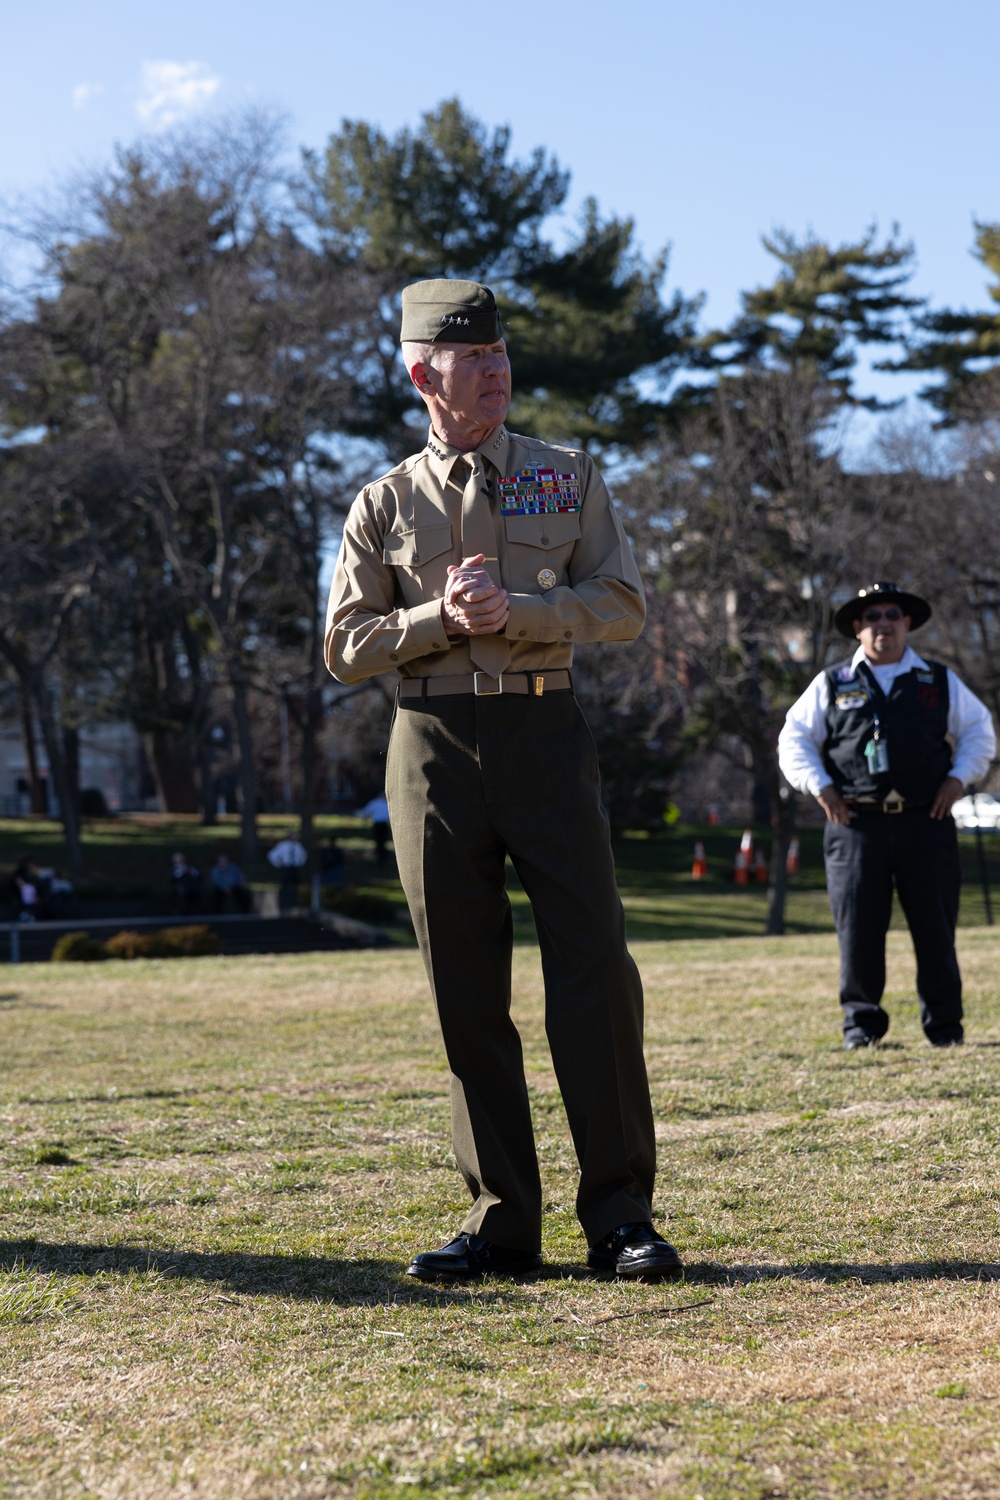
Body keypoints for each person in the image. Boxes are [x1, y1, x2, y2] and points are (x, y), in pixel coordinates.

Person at [326, 278, 680, 1283]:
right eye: (472, 361)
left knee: (596, 972)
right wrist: (438, 621)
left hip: (543, 732)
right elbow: (345, 647)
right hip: (430, 745)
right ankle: (499, 1222)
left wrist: (516, 608)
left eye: (500, 356)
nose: (496, 373)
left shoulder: (566, 479)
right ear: (421, 375)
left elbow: (619, 604)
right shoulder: (382, 502)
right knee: (464, 988)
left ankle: (619, 1216)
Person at [778, 581, 996, 1049]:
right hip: (854, 825)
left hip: (927, 821)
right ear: (858, 629)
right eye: (872, 617)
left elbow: (980, 732)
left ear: (907, 623)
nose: (883, 625)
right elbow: (793, 740)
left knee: (936, 928)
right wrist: (822, 787)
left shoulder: (938, 680)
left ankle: (945, 1029)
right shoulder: (832, 683)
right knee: (857, 930)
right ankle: (862, 1028)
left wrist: (958, 780)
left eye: (892, 615)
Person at [267, 834, 307, 905]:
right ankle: (284, 899)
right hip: (286, 867)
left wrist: (300, 863)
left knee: (296, 884)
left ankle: (296, 900)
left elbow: (303, 855)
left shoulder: (298, 846)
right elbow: (272, 855)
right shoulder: (283, 845)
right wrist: (278, 863)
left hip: (295, 867)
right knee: (285, 883)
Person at [355, 792, 391, 865]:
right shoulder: (386, 803)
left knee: (378, 841)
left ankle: (379, 857)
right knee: (383, 841)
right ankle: (383, 857)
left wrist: (360, 815)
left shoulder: (374, 803)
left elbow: (366, 812)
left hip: (377, 824)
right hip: (384, 824)